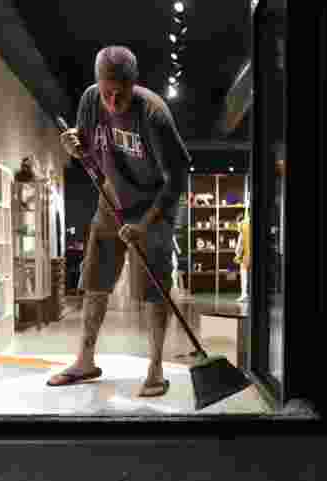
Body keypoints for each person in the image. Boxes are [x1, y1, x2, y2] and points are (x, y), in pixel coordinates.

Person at [47, 46, 191, 397]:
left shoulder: (154, 114)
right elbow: (86, 148)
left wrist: (144, 225)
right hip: (110, 200)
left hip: (154, 206)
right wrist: (73, 145)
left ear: (133, 83)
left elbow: (178, 179)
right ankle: (85, 359)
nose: (112, 101)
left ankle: (155, 367)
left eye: (120, 93)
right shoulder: (91, 100)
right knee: (96, 279)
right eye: (106, 91)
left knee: (154, 289)